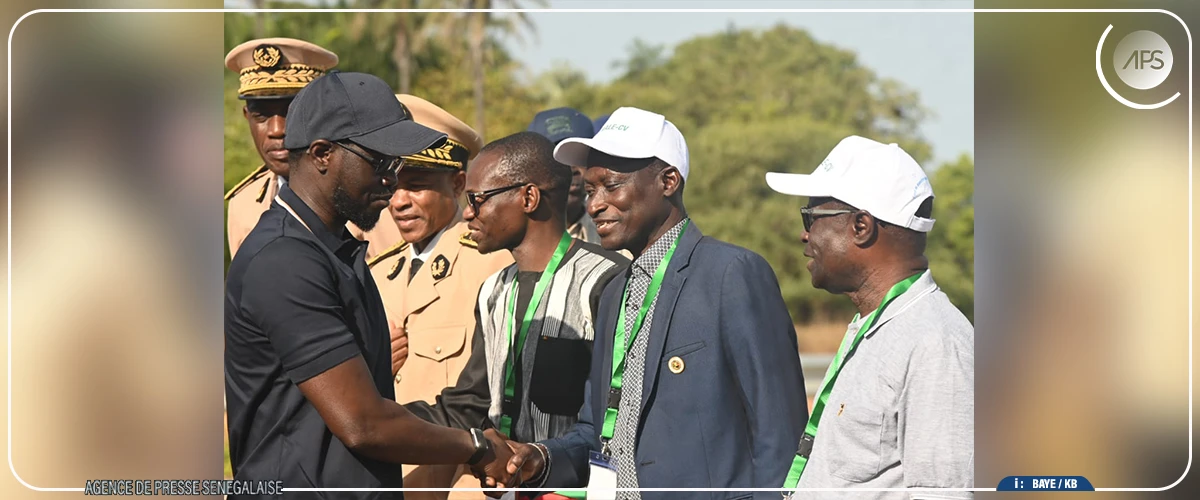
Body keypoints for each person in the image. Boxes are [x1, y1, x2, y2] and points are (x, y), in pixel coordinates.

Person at [224, 71, 516, 496]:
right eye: (379, 161)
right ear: (323, 153)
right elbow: (363, 424)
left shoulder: (331, 249)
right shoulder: (285, 260)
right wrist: (475, 446)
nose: (391, 181)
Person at [497, 107, 808, 500]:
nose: (595, 205)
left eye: (611, 186)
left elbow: (779, 433)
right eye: (591, 190)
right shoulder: (613, 293)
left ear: (668, 181)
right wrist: (540, 457)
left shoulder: (731, 274)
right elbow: (598, 430)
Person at [404, 132, 627, 495]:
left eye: (477, 199)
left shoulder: (609, 280)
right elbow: (470, 404)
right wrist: (379, 420)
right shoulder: (493, 290)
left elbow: (618, 416)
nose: (468, 213)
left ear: (528, 197)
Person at [765, 136, 974, 499]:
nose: (804, 234)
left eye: (811, 217)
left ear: (861, 227)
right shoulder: (878, 326)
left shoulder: (935, 343)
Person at [367, 95, 513, 500]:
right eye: (392, 185)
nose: (398, 201)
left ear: (458, 183)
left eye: (416, 185)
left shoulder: (494, 267)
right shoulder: (376, 273)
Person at [224, 37, 338, 259]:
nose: (277, 129)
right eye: (261, 115)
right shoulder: (244, 204)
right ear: (247, 118)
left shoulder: (361, 193)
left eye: (291, 111)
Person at [527, 108, 601, 245]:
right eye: (558, 160)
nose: (571, 170)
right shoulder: (513, 239)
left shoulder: (612, 234)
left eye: (578, 158)